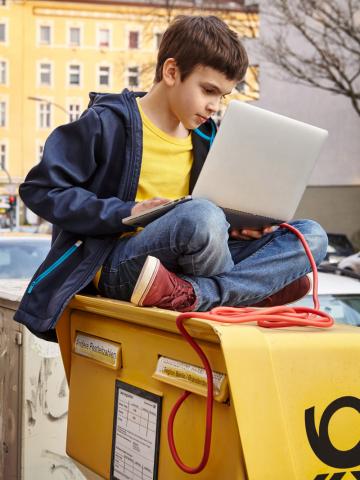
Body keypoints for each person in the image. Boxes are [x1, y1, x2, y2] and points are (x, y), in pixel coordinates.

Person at [14, 15, 328, 341]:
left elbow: (206, 226)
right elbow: (41, 188)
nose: (213, 106)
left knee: (312, 237)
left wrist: (239, 226)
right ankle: (245, 291)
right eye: (208, 90)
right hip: (121, 265)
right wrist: (125, 213)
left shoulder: (207, 136)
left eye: (222, 96)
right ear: (172, 72)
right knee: (202, 214)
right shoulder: (106, 122)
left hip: (184, 269)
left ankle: (198, 294)